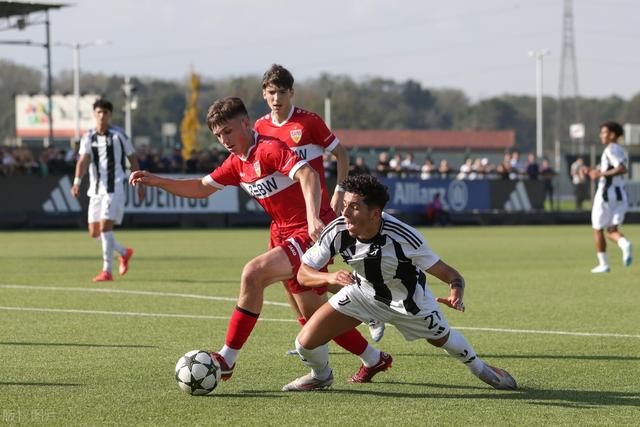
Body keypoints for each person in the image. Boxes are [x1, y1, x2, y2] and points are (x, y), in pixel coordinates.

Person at [129, 97, 389, 384]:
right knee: (313, 316)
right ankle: (372, 359)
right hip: (283, 233)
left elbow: (309, 174)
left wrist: (314, 217)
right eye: (218, 135)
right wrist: (158, 181)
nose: (224, 139)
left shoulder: (269, 149)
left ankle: (227, 360)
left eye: (228, 131)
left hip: (310, 232)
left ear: (244, 123)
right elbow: (201, 188)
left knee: (253, 273)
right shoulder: (236, 163)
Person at [281, 174, 518, 392]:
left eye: (354, 207)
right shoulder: (338, 230)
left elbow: (452, 275)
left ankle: (480, 368)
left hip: (409, 304)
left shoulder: (404, 236)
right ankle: (321, 376)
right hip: (363, 294)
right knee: (304, 343)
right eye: (345, 206)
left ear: (375, 214)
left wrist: (456, 292)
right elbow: (303, 273)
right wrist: (328, 277)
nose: (345, 213)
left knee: (441, 339)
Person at [254, 64, 384, 343]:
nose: (277, 98)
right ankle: (308, 335)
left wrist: (339, 191)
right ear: (264, 94)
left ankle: (368, 309)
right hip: (282, 222)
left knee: (312, 281)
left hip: (313, 219)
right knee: (288, 281)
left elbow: (342, 154)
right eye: (271, 92)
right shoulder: (260, 127)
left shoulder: (308, 123)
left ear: (292, 93)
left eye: (282, 93)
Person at [71, 99, 143, 282]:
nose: (101, 116)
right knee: (94, 233)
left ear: (110, 115)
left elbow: (132, 158)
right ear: (94, 114)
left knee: (104, 228)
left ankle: (107, 271)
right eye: (98, 112)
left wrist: (140, 182)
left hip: (115, 187)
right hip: (95, 190)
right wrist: (77, 181)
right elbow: (83, 160)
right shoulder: (88, 137)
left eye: (105, 112)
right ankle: (124, 252)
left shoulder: (119, 135)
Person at [588, 121, 633, 273]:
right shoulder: (620, 149)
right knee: (612, 230)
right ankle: (624, 242)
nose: (601, 135)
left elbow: (621, 168)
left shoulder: (610, 149)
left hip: (606, 194)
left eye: (604, 132)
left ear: (612, 135)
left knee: (597, 228)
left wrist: (600, 174)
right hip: (621, 194)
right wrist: (592, 171)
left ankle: (604, 264)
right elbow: (612, 168)